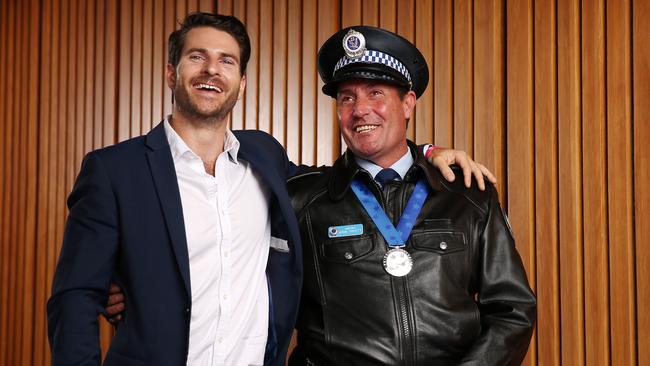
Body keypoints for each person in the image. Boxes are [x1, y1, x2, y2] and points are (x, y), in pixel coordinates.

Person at [48, 13, 493, 366]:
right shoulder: (112, 170)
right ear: (171, 72)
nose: (211, 71)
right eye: (196, 57)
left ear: (242, 82)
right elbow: (75, 298)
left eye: (227, 61)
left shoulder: (265, 160)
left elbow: (348, 177)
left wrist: (429, 152)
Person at [285, 26, 536, 365]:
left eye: (375, 93)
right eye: (347, 97)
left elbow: (512, 308)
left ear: (407, 103)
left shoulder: (468, 193)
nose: (359, 110)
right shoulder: (302, 200)